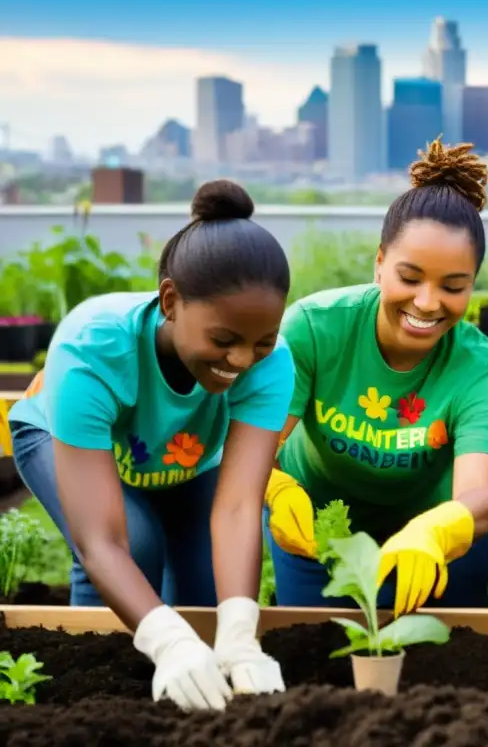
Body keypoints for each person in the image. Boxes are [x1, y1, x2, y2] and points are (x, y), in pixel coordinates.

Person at [7, 180, 295, 710]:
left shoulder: (270, 365)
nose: (242, 361)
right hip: (62, 437)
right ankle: (96, 693)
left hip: (184, 455)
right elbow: (103, 539)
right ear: (170, 301)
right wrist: (169, 640)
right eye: (224, 340)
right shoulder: (94, 346)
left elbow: (236, 508)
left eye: (262, 341)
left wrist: (237, 635)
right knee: (132, 545)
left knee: (209, 594)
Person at [262, 138, 488, 615]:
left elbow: (479, 496)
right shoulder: (316, 329)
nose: (427, 302)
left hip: (435, 535)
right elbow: (256, 447)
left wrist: (438, 529)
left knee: (447, 661)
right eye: (410, 277)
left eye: (453, 287)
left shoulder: (481, 370)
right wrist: (275, 488)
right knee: (315, 651)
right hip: (319, 522)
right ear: (379, 265)